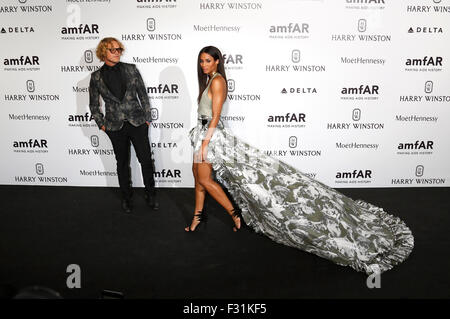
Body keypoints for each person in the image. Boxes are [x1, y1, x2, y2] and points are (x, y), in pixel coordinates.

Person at [186, 46, 414, 275]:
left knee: (205, 180)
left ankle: (235, 215)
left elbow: (215, 116)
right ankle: (197, 218)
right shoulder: (208, 80)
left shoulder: (217, 82)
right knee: (199, 179)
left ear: (217, 62)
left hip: (211, 136)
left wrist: (206, 143)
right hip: (202, 133)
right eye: (201, 61)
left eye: (207, 61)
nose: (203, 64)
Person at [89, 37, 159, 213]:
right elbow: (94, 105)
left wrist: (147, 118)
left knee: (145, 161)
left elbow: (143, 95)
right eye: (113, 50)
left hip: (137, 122)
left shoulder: (131, 69)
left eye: (119, 49)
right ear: (103, 52)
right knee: (122, 163)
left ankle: (150, 194)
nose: (118, 52)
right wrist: (101, 124)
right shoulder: (96, 77)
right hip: (115, 126)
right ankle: (126, 198)